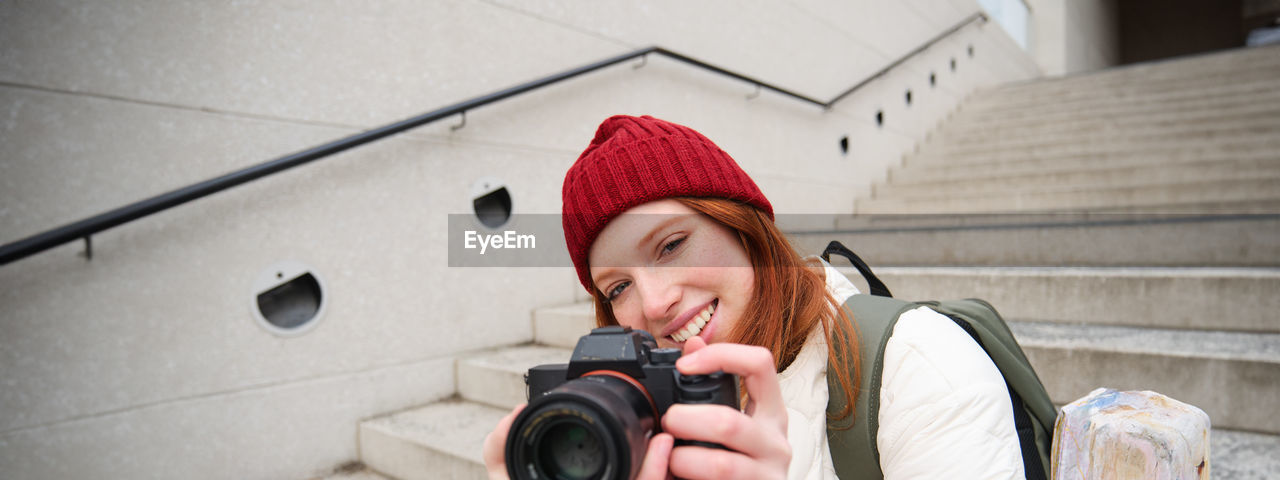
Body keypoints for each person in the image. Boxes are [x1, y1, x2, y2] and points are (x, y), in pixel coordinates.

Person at [483, 115, 1027, 479]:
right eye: (618, 287)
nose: (652, 304)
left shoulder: (921, 364)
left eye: (672, 245)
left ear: (745, 230)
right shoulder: (637, 421)